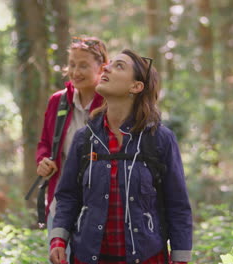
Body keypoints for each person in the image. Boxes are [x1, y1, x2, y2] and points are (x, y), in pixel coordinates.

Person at [49, 49, 193, 264]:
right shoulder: (85, 138)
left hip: (147, 257)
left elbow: (177, 205)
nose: (106, 67)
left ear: (136, 86)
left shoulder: (160, 138)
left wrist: (181, 258)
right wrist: (58, 239)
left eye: (119, 66)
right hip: (88, 256)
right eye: (109, 65)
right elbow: (68, 195)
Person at [36, 36, 108, 262]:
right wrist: (44, 160)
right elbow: (45, 143)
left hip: (101, 202)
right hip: (61, 201)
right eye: (72, 64)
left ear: (102, 67)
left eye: (83, 65)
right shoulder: (57, 101)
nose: (75, 71)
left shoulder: (110, 102)